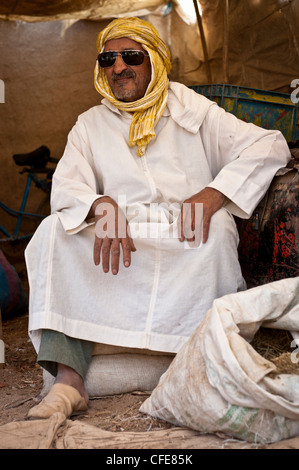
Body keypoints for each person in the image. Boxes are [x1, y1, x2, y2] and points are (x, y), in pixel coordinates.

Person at [25, 17, 290, 419]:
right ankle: (70, 379)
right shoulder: (90, 124)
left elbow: (270, 144)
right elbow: (68, 188)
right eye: (107, 58)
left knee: (217, 228)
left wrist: (214, 193)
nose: (118, 67)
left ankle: (200, 361)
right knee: (52, 233)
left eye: (130, 55)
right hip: (121, 241)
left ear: (154, 60)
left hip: (183, 239)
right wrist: (101, 205)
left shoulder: (192, 108)